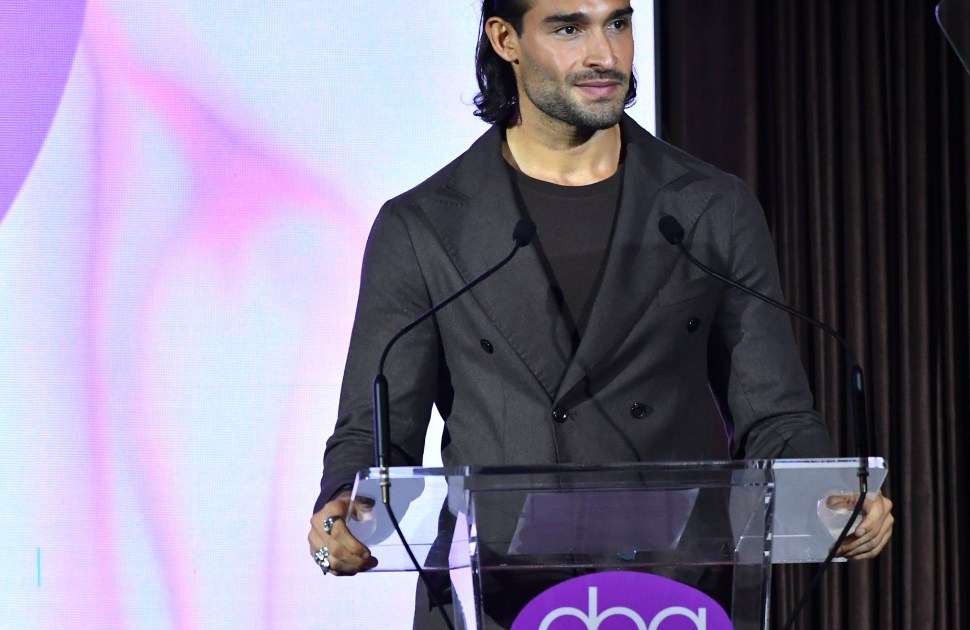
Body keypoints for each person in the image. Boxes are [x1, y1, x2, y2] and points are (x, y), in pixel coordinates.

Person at [309, 0, 893, 612]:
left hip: (677, 598)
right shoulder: (423, 226)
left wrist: (827, 494)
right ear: (506, 40)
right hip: (498, 601)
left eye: (618, 23)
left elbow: (775, 415)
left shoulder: (709, 208)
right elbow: (375, 434)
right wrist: (342, 512)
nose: (605, 54)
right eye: (569, 28)